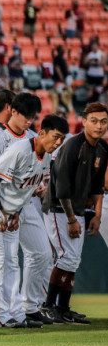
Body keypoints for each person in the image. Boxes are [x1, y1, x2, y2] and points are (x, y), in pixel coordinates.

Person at [0, 114, 68, 329]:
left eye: (62, 139)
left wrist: (16, 212)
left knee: (11, 263)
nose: (58, 143)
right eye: (55, 137)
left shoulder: (46, 157)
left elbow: (25, 189)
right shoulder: (20, 150)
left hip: (10, 210)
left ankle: (14, 313)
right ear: (42, 133)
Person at [43, 102, 108, 324]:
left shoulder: (102, 148)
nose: (99, 126)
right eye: (94, 121)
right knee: (66, 257)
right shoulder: (72, 146)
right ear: (84, 121)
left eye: (104, 121)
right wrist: (71, 219)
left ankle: (63, 308)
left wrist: (97, 214)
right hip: (58, 208)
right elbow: (61, 186)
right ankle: (48, 306)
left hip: (78, 209)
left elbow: (98, 185)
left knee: (74, 260)